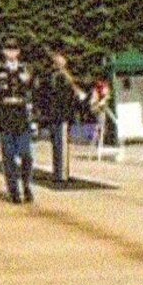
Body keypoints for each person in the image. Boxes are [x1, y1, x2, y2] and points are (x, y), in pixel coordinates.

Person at [0, 39, 36, 204]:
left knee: (26, 155)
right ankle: (14, 191)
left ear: (18, 52)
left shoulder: (26, 69)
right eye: (8, 49)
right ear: (4, 52)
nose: (11, 53)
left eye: (14, 49)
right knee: (8, 157)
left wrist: (34, 118)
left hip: (22, 116)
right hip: (4, 116)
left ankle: (26, 184)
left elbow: (33, 94)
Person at [36, 45, 86, 185]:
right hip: (57, 114)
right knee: (58, 145)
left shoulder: (60, 77)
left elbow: (69, 95)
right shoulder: (55, 77)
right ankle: (60, 174)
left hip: (60, 115)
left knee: (60, 145)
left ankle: (60, 173)